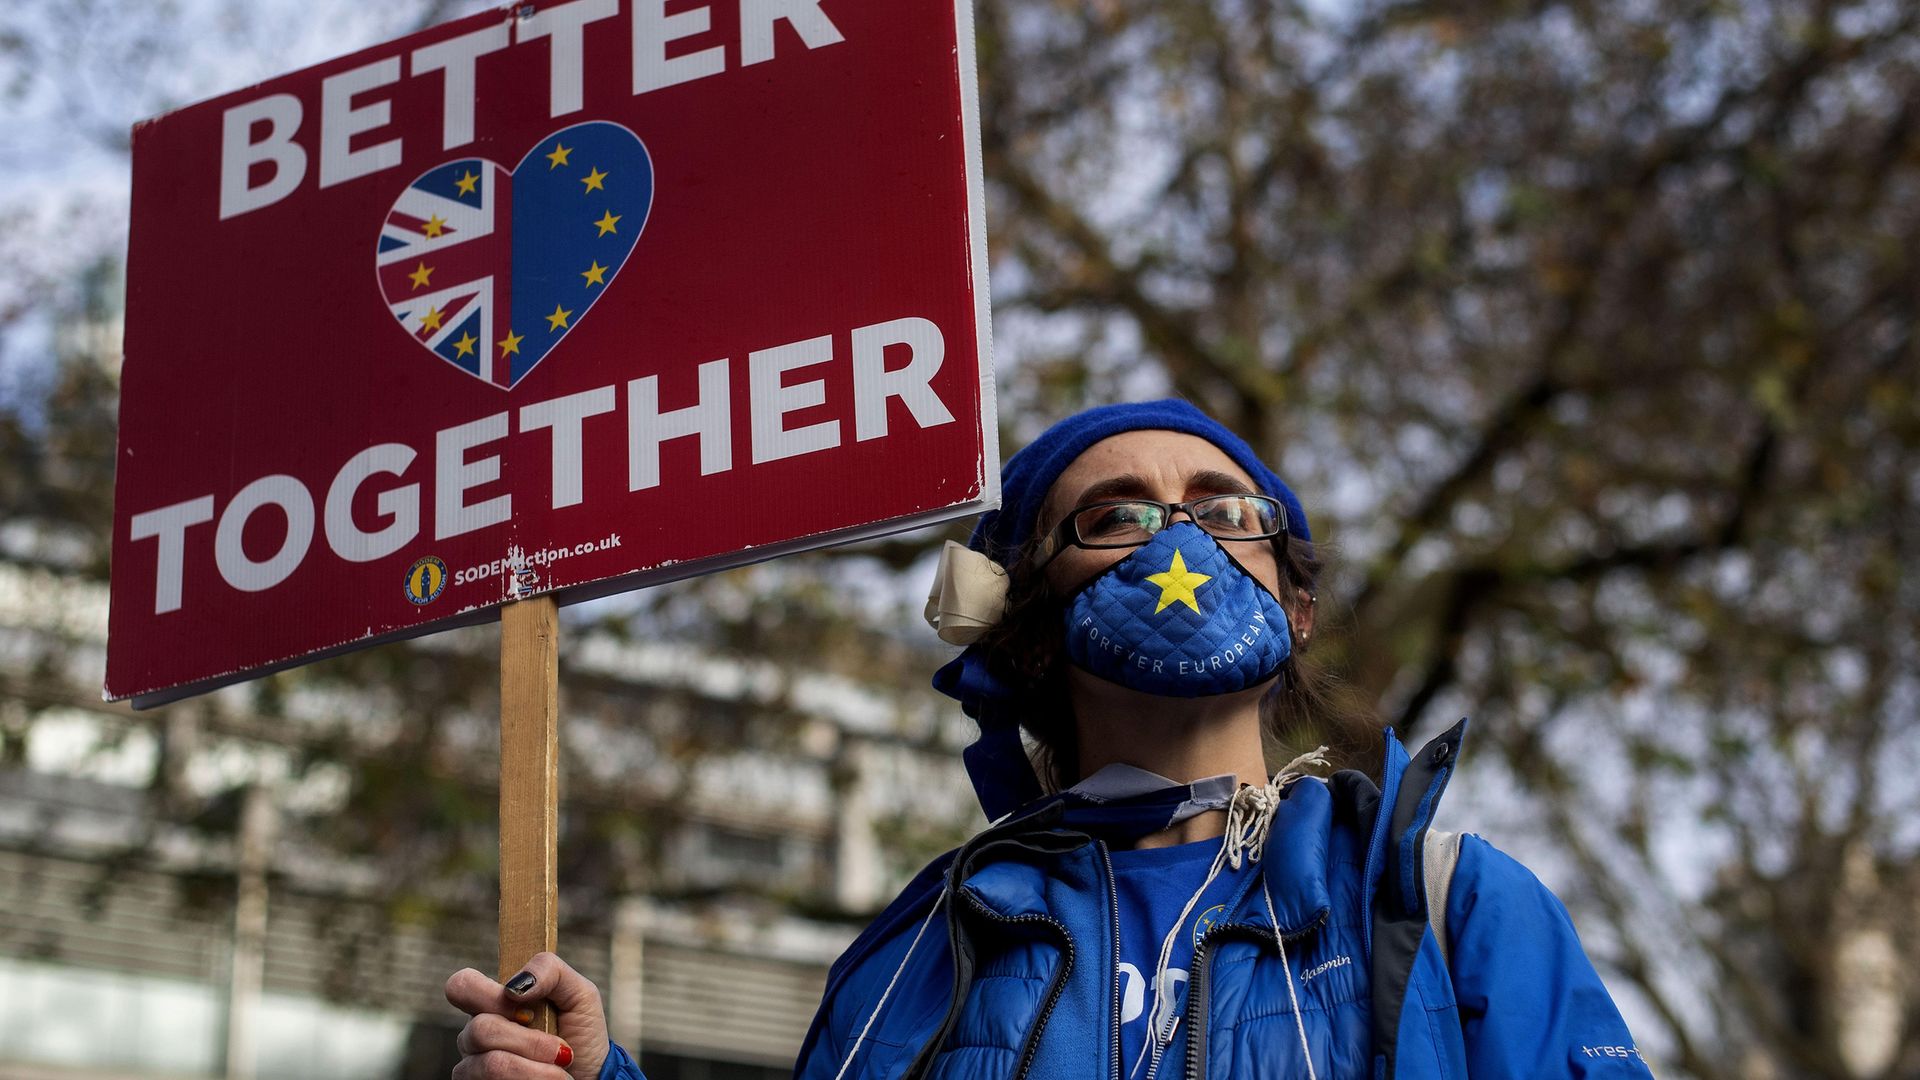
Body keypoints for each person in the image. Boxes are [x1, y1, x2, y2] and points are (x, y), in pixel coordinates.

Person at [446, 400, 1657, 1079]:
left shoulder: (1443, 905)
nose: (1178, 544)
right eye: (1114, 517)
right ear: (1030, 624)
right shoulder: (922, 948)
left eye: (1224, 514)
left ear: (1292, 609)